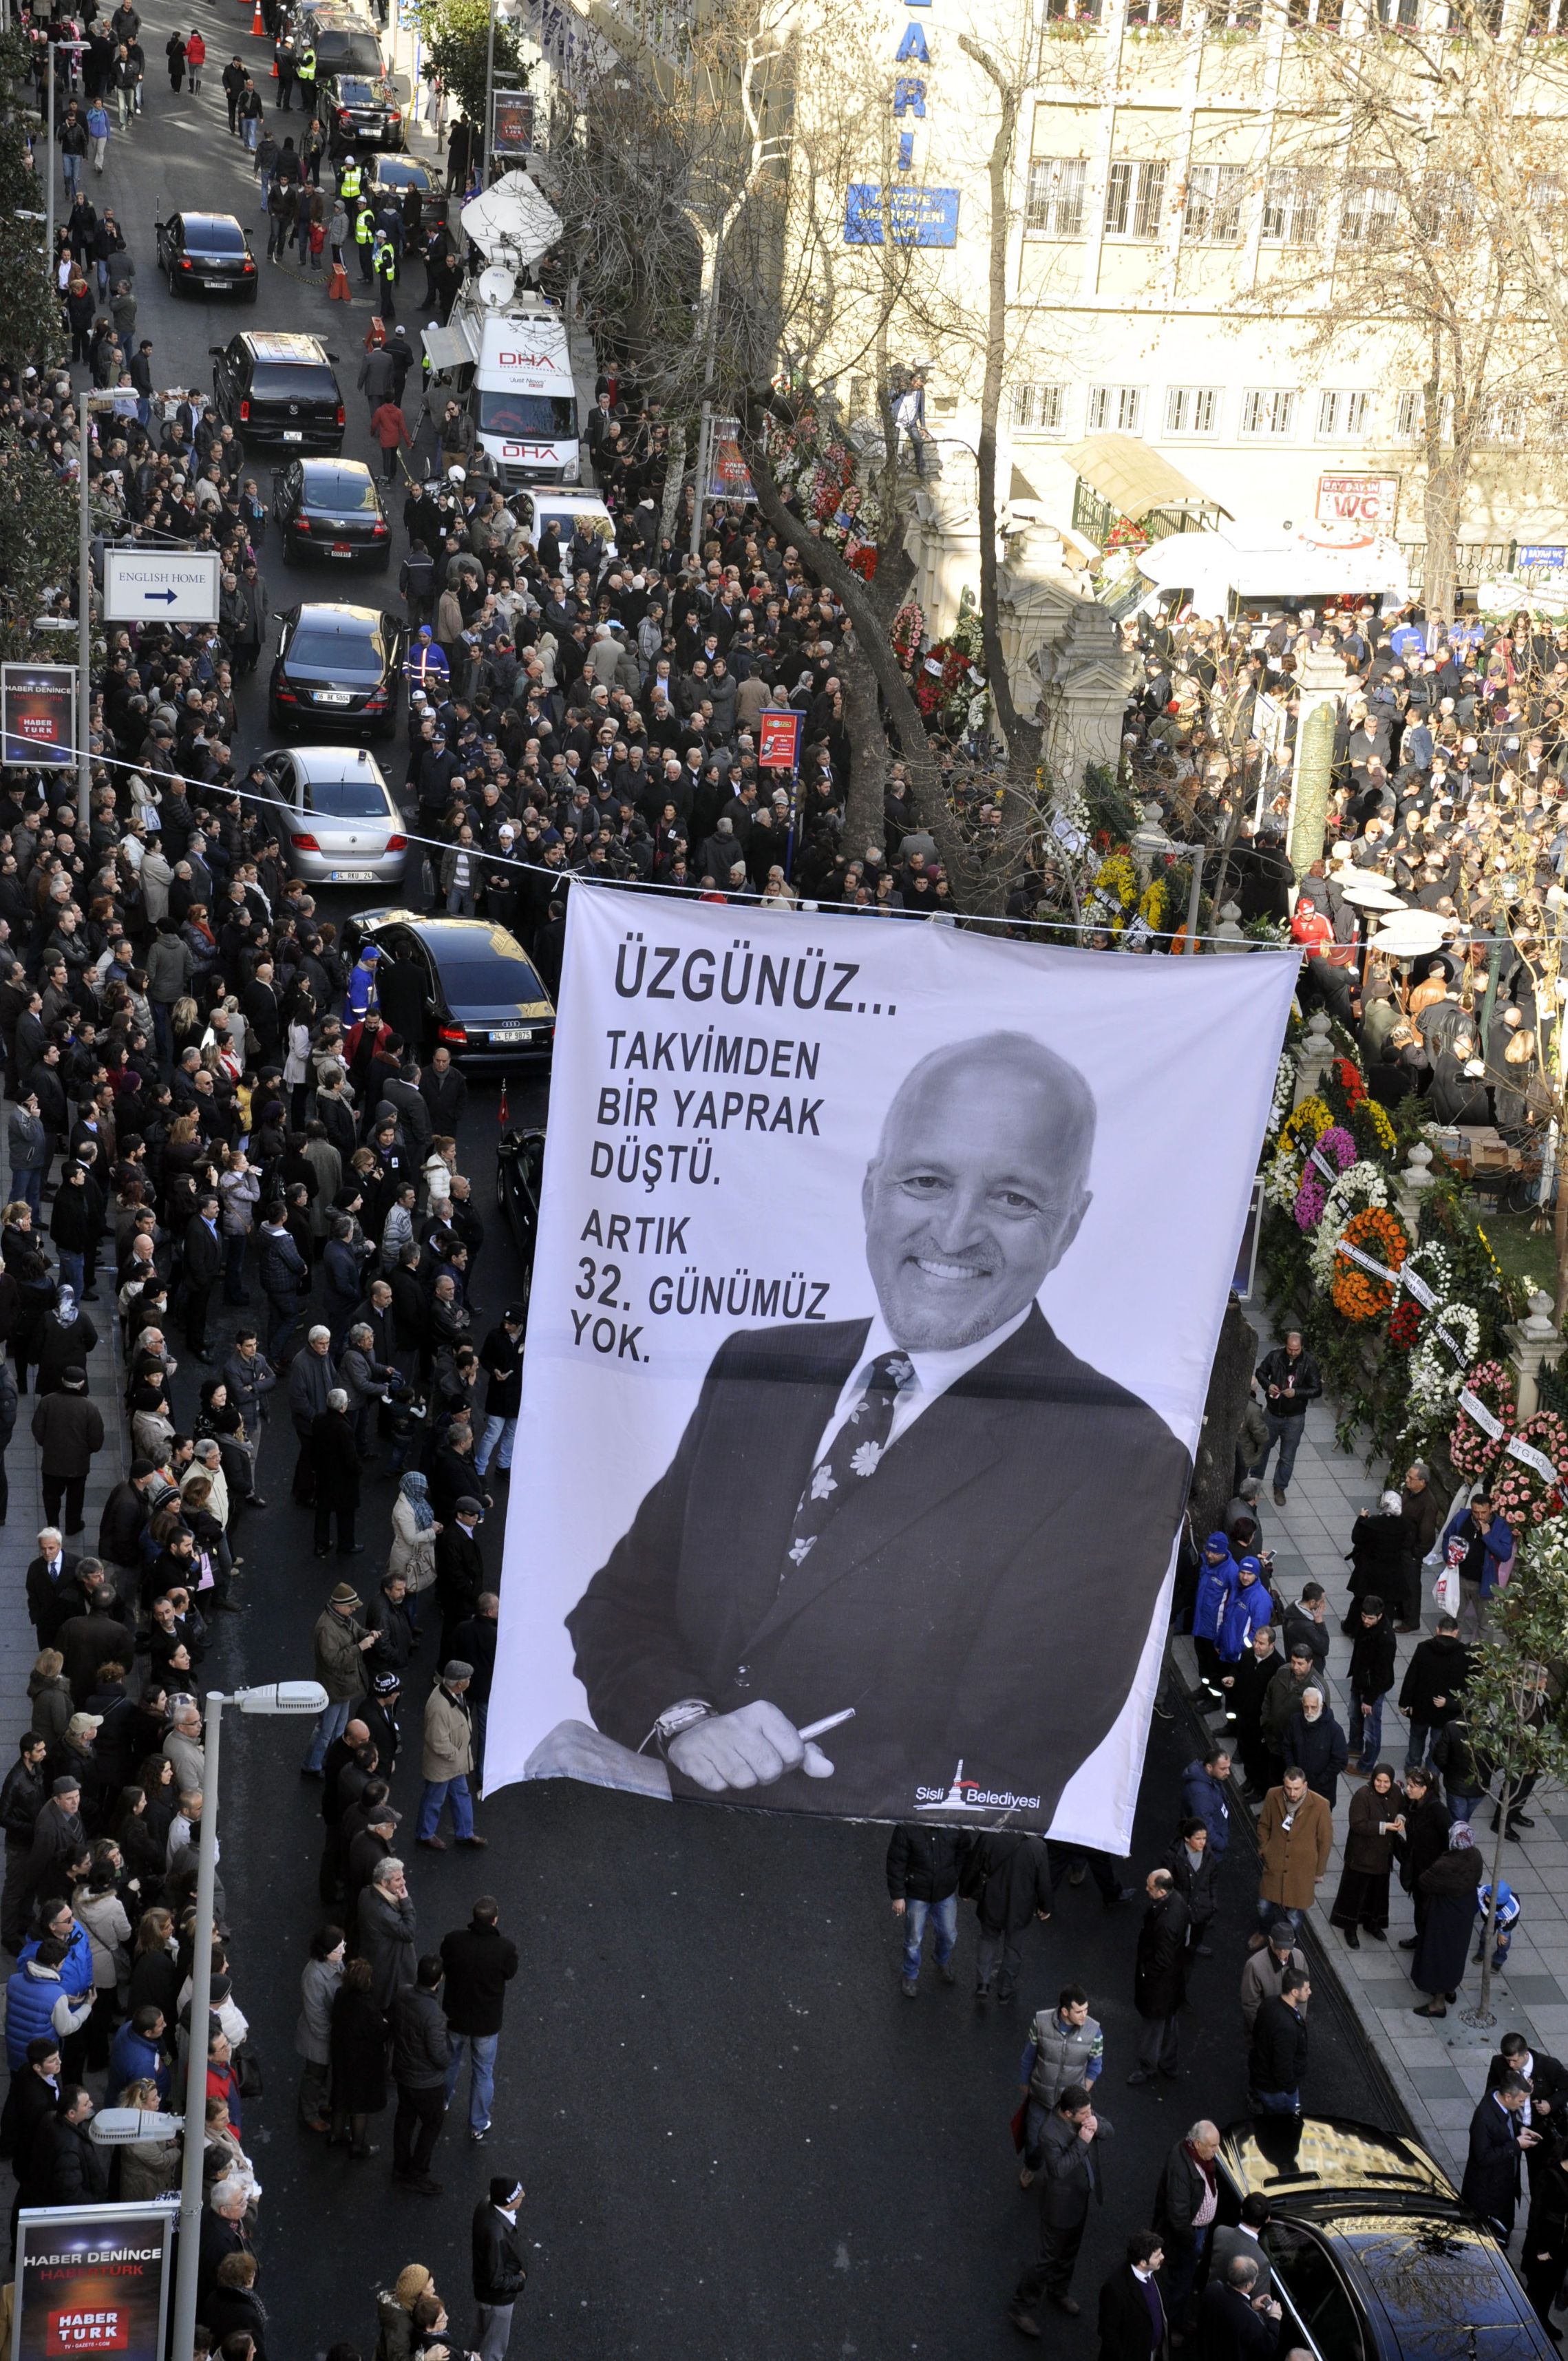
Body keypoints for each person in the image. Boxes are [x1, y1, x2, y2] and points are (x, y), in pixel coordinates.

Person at [560, 1034, 1191, 1823]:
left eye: (1012, 1199)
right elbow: (617, 1606)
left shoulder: (1120, 1461)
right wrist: (685, 1724)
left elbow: (998, 1780)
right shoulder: (757, 1366)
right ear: (871, 1192)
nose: (954, 1233)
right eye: (925, 1181)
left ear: (1069, 1226)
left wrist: (667, 1783)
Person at [1006, 2084, 1112, 2331]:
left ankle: (1058, 2289)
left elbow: (1109, 2130)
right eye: (1084, 2114)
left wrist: (1098, 2125)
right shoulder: (1050, 2133)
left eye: (1090, 2111)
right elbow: (1058, 2170)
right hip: (1060, 2205)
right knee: (1046, 2259)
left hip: (1080, 2197)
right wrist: (1083, 2141)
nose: (1089, 2115)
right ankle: (1020, 2306)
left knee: (1070, 2251)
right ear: (1067, 2113)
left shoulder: (1084, 2112)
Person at [439, 1897, 517, 2144]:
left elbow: (445, 1963)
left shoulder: (454, 1941)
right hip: (486, 2022)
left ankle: (441, 2101)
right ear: (495, 1919)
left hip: (456, 2015)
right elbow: (510, 1973)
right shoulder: (505, 1949)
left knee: (449, 2061)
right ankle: (478, 2124)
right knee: (483, 2072)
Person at [1019, 1985, 1103, 2185]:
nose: (1085, 2015)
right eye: (1079, 2011)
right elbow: (1029, 2055)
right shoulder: (1040, 2022)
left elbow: (1095, 2066)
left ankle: (1058, 2179)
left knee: (1067, 2140)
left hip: (1069, 2106)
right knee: (1033, 2138)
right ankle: (1031, 2167)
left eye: (1086, 2010)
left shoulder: (1094, 2031)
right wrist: (1024, 2083)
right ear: (1065, 2011)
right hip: (1040, 2097)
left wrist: (1080, 2094)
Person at [963, 1829, 1052, 2007]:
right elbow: (1043, 1881)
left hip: (991, 1901)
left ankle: (983, 1985)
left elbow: (974, 1864)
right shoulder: (1037, 1846)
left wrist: (965, 1890)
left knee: (988, 1940)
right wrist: (1045, 1907)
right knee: (1013, 1948)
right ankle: (1005, 1989)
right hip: (1020, 1908)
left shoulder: (990, 1836)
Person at [1150, 2122, 1222, 2337]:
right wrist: (1191, 2242)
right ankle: (1173, 2326)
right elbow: (1178, 2217)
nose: (1217, 2150)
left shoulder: (1194, 2155)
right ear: (1198, 2144)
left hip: (1197, 2230)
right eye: (1213, 2146)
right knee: (1180, 2282)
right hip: (1188, 2235)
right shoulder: (1182, 2169)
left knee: (1183, 2278)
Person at [390, 1951, 451, 2195]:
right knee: (433, 2123)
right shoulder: (434, 2015)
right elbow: (438, 2055)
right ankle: (417, 2173)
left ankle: (400, 2166)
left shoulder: (402, 1993)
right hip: (426, 2082)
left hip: (403, 2071)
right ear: (440, 1978)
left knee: (405, 2118)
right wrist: (447, 2062)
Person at [1412, 1820, 1485, 2018]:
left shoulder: (1446, 1864)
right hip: (1464, 1910)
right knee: (1456, 1953)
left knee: (1439, 1954)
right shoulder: (1476, 1856)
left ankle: (1438, 2003)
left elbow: (1424, 1882)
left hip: (1445, 1913)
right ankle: (1450, 1989)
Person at [1251, 1766, 1331, 1945]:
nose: (1292, 1793)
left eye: (1297, 1788)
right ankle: (1264, 1932)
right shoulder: (1273, 1795)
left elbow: (1325, 1841)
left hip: (1302, 1871)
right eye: (1288, 1788)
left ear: (1305, 1785)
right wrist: (1265, 1849)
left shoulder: (1320, 1805)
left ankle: (1287, 1945)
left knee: (1294, 1915)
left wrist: (1319, 1872)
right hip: (1276, 1864)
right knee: (1263, 1906)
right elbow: (1264, 1825)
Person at [884, 1822, 966, 1998]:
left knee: (949, 1935)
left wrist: (954, 1875)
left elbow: (963, 1851)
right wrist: (898, 1896)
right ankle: (910, 1974)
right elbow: (896, 1862)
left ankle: (941, 1959)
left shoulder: (954, 1825)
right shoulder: (906, 1828)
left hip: (944, 1892)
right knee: (913, 1939)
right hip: (917, 1893)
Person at [1329, 1764, 1403, 1947]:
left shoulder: (1395, 1792)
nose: (1382, 1785)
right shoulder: (1362, 1796)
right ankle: (1350, 1928)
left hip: (1382, 1856)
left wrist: (1401, 1817)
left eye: (1386, 1782)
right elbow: (1358, 1824)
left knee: (1377, 1894)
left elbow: (1404, 1806)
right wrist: (1384, 1826)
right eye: (1379, 1780)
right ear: (1373, 1779)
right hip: (1361, 1856)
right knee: (1355, 1894)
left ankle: (1373, 1924)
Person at [1128, 1869, 1189, 2087]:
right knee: (1170, 2023)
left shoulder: (1165, 1923)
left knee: (1153, 2028)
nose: (1147, 1889)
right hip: (1174, 1980)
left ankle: (1147, 2067)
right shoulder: (1178, 1902)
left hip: (1159, 1986)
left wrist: (1146, 1974)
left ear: (1161, 1891)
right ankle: (1169, 2063)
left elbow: (1161, 1959)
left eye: (1150, 1887)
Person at [1461, 2071, 1538, 2240]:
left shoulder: (1503, 2103)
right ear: (1508, 2096)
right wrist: (1516, 2145)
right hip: (1488, 2190)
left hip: (1504, 2182)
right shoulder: (1484, 2118)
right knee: (1491, 2234)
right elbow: (1483, 2157)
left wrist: (1521, 2129)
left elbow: (1509, 2124)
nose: (1522, 2105)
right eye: (1521, 2101)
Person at [1249, 1329, 1321, 1505]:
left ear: (1302, 1347)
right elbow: (1261, 1373)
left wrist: (1297, 1392)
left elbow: (1317, 1389)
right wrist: (1268, 1385)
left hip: (1295, 1417)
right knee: (1262, 1447)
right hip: (1273, 1413)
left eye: (1296, 1350)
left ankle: (1280, 1487)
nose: (1293, 1353)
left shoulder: (1309, 1363)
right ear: (1285, 1346)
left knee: (1287, 1456)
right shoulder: (1275, 1357)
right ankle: (1255, 1481)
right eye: (1290, 1349)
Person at [419, 1663, 483, 1852]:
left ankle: (465, 1833)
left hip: (454, 1762)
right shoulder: (440, 1707)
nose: (470, 1681)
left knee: (461, 1795)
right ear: (460, 1684)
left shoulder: (453, 1694)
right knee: (434, 1800)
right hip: (444, 1764)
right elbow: (437, 1741)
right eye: (468, 1679)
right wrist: (457, 1755)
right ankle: (425, 1834)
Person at [1399, 1613, 1470, 1770]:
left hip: (1421, 1705)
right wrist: (1452, 1703)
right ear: (1456, 1633)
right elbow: (1467, 1685)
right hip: (1445, 1710)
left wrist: (1404, 1703)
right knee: (1438, 1742)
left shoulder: (1423, 1648)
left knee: (1417, 1737)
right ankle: (1432, 1773)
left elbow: (1411, 1677)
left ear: (1437, 1630)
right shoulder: (1464, 1653)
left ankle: (1412, 1767)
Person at [471, 2176, 527, 2361]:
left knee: (482, 2333)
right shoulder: (497, 2234)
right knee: (493, 2348)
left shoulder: (486, 2205)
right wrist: (520, 2280)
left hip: (484, 2293)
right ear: (508, 2203)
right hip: (498, 2300)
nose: (524, 2195)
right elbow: (497, 2279)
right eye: (519, 2195)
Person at [1094, 2230, 1168, 2360]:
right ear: (1143, 2262)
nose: (1163, 2257)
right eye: (1157, 2256)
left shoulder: (1156, 2271)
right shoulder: (1115, 2289)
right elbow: (1109, 2333)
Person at [1247, 1965, 1309, 2115]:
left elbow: (1256, 2032)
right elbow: (1282, 2065)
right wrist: (1290, 2088)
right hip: (1276, 2089)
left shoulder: (1270, 2002)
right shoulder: (1287, 2028)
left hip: (1261, 2074)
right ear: (1295, 1992)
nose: (1310, 1992)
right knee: (1285, 2117)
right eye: (1306, 1989)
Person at [1523, 2140, 1568, 2343]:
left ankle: (1542, 2319)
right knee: (1537, 2288)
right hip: (1545, 2243)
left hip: (1562, 2244)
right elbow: (1536, 2216)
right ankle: (1530, 2325)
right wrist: (1540, 2249)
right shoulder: (1548, 2177)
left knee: (1551, 2287)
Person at [1194, 2252, 1282, 2358]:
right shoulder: (1250, 2320)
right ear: (1248, 2285)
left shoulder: (1213, 2288)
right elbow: (1268, 2347)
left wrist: (1250, 2305)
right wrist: (1275, 2317)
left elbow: (1229, 2308)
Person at [1347, 1595, 1396, 1771]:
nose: (1366, 1621)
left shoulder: (1386, 1639)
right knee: (1354, 1716)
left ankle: (1366, 1767)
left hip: (1372, 1688)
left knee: (1371, 1728)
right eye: (1364, 1617)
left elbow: (1383, 1675)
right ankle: (1355, 1746)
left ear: (1380, 1616)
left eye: (1370, 1618)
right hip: (1360, 1680)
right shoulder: (1365, 1626)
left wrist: (1369, 1699)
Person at [1285, 1685, 1349, 1808]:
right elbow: (1286, 1747)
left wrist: (1320, 1781)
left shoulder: (1334, 1730)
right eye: (1306, 1707)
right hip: (1296, 1787)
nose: (1309, 1712)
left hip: (1322, 1791)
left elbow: (1340, 1760)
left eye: (1313, 1707)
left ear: (1321, 1705)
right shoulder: (1295, 1721)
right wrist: (1293, 1772)